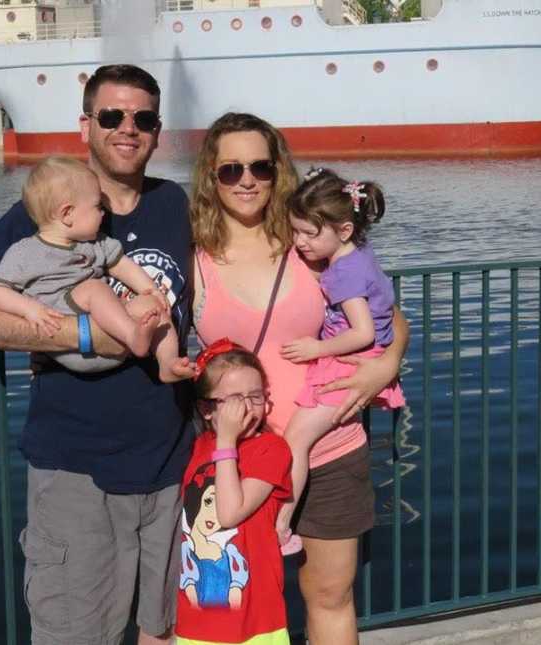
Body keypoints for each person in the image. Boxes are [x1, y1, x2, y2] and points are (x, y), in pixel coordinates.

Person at [0, 64, 193, 645]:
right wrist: (82, 336)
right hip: (78, 470)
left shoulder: (173, 203)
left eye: (143, 118)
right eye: (112, 116)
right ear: (86, 124)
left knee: (161, 630)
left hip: (169, 464)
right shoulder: (45, 211)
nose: (127, 129)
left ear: (158, 131)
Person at [189, 112, 409, 645]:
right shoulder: (192, 255)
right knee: (230, 605)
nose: (247, 180)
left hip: (329, 445)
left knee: (329, 594)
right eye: (231, 169)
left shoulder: (309, 244)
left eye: (260, 167)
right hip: (238, 461)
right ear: (210, 176)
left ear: (277, 171)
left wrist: (385, 365)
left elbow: (388, 318)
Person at [275, 168, 405, 553]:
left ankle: (282, 525)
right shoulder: (360, 254)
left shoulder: (343, 274)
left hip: (348, 363)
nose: (300, 242)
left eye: (309, 234)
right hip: (362, 360)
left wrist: (316, 349)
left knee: (295, 440)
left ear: (344, 231)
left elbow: (362, 332)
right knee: (303, 440)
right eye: (295, 231)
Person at [0, 156, 191, 382]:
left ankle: (168, 363)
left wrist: (151, 290)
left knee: (154, 306)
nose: (104, 213)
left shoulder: (95, 243)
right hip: (68, 339)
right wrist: (29, 310)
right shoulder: (24, 252)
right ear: (67, 214)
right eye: (97, 207)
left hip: (109, 326)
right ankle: (134, 335)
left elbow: (122, 265)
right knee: (94, 288)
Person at [177, 339, 292, 645]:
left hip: (256, 623)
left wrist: (226, 443)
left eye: (256, 396)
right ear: (206, 409)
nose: (247, 408)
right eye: (235, 399)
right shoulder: (196, 448)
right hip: (195, 619)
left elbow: (228, 513)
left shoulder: (271, 449)